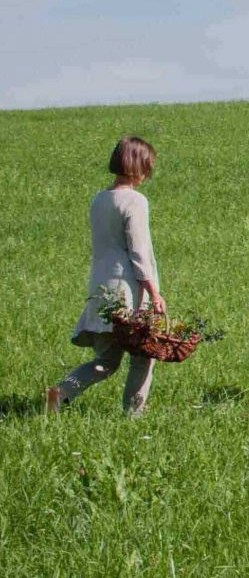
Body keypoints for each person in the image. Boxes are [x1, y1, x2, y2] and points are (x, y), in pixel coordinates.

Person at [45, 136, 165, 417]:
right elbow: (138, 252)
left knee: (107, 360)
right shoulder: (135, 201)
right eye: (148, 165)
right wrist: (154, 293)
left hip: (100, 287)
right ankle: (133, 415)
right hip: (128, 291)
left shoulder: (99, 199)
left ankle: (60, 392)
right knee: (144, 355)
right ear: (140, 166)